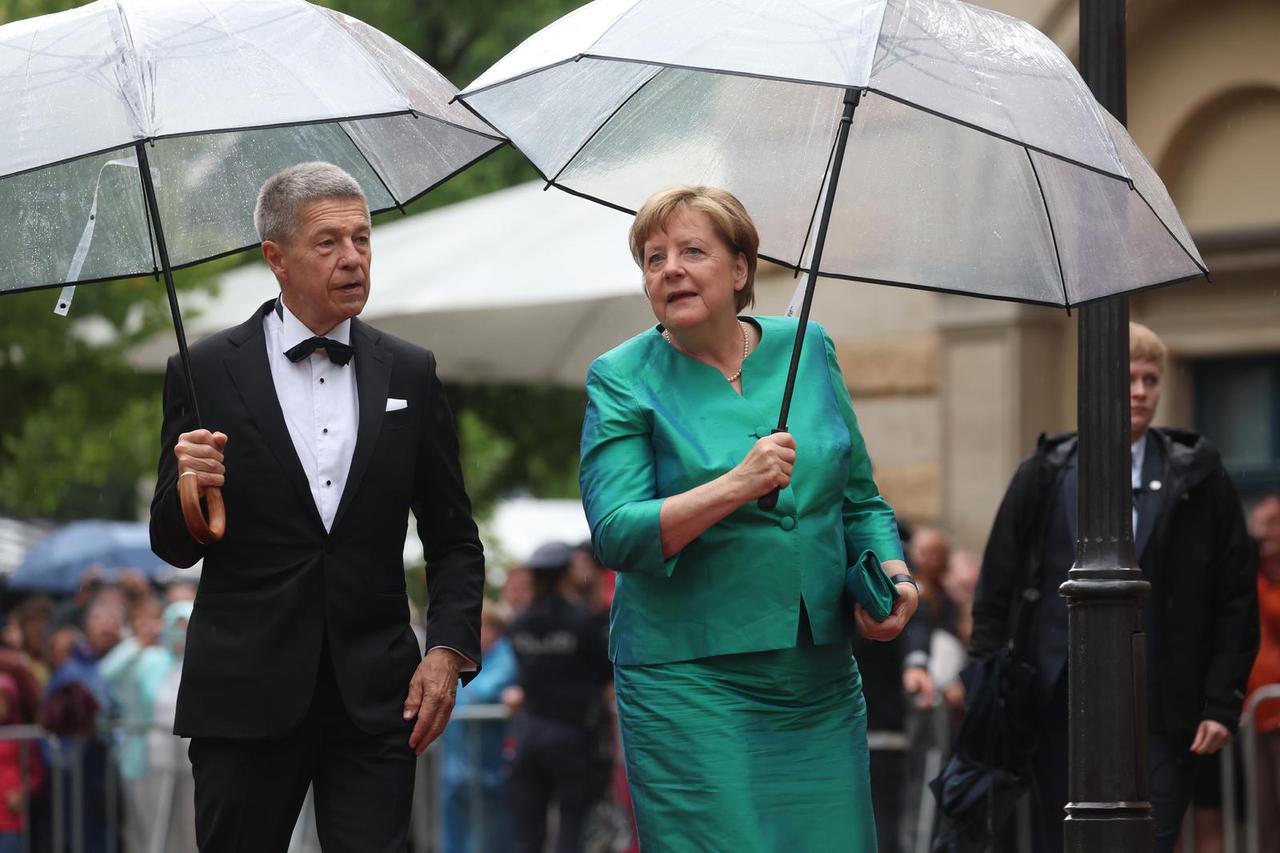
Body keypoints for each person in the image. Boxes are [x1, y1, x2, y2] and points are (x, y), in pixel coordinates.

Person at [148, 161, 486, 853]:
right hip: (244, 693)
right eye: (328, 242)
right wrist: (189, 486)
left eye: (362, 239)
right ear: (277, 257)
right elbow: (173, 544)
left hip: (377, 697)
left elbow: (453, 536)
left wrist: (448, 649)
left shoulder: (412, 371)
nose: (353, 257)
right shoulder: (203, 370)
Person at [578, 185, 918, 852]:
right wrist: (735, 485)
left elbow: (861, 500)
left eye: (692, 250)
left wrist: (898, 579)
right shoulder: (620, 377)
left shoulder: (808, 348)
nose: (669, 267)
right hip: (688, 677)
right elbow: (616, 530)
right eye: (653, 257)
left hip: (815, 676)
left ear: (740, 270)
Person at [969, 321, 1258, 853]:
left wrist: (1222, 702)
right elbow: (998, 586)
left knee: (1150, 840)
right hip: (1058, 707)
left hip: (1164, 709)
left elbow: (1234, 596)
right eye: (1129, 377)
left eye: (1151, 379)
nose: (1142, 391)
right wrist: (987, 680)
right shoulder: (1044, 473)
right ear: (1096, 382)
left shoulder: (1197, 475)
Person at [505, 542, 613, 853]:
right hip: (572, 735)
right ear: (566, 574)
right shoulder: (582, 622)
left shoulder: (520, 622)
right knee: (572, 827)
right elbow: (605, 670)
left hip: (529, 733)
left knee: (528, 833)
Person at [439, 603, 517, 853]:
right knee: (456, 835)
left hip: (489, 769)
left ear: (494, 630)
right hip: (457, 769)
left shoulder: (505, 656)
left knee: (489, 838)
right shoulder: (470, 659)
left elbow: (479, 693)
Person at [1246, 493, 1280, 849]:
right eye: (1258, 523)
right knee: (1265, 814)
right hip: (1258, 711)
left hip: (1277, 708)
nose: (1262, 532)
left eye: (1271, 523)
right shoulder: (1254, 571)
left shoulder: (1267, 578)